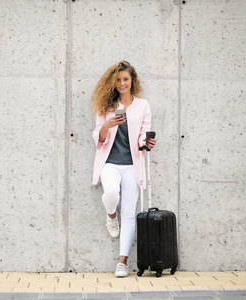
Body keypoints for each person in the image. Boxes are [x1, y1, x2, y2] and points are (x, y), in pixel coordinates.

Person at [91, 61, 156, 277]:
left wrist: (147, 143)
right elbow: (98, 139)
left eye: (125, 79)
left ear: (132, 81)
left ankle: (122, 262)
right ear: (113, 82)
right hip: (110, 162)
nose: (121, 83)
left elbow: (143, 134)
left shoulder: (142, 105)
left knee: (129, 214)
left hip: (132, 165)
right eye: (118, 80)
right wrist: (106, 126)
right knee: (110, 193)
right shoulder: (105, 105)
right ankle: (111, 216)